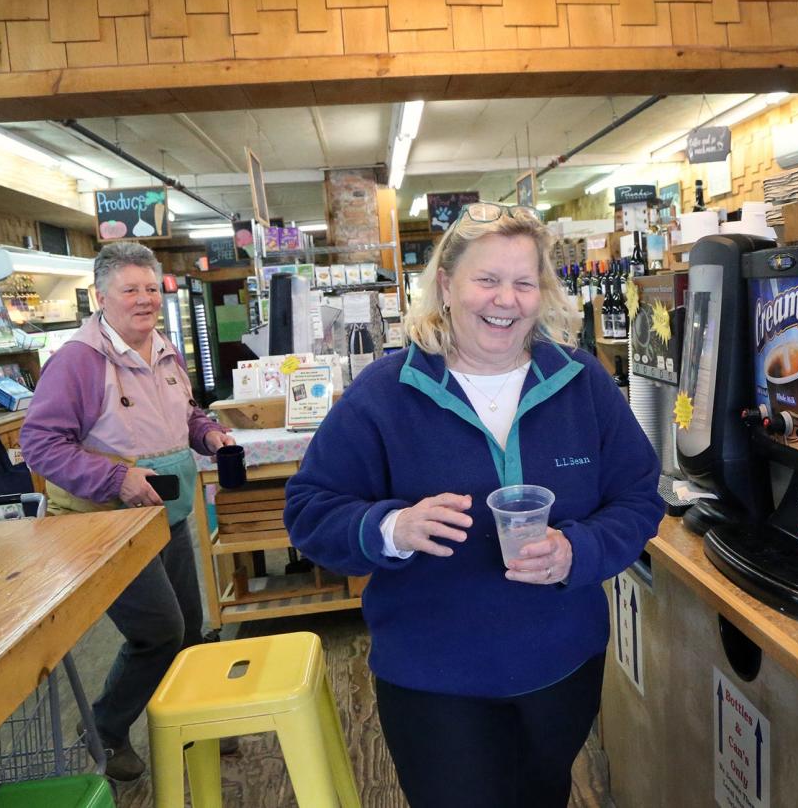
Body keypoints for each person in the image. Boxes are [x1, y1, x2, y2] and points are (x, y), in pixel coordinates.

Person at [284, 202, 663, 808]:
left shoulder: (582, 383)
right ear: (446, 285)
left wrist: (577, 550)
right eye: (487, 279)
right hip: (434, 680)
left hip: (562, 667)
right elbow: (307, 509)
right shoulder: (387, 393)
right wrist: (391, 527)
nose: (505, 300)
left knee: (544, 795)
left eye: (524, 282)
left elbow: (639, 496)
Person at [20, 241, 235, 780]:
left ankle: (188, 724)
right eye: (129, 289)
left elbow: (182, 413)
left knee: (189, 628)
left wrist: (208, 433)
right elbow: (41, 444)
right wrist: (118, 476)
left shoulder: (164, 348)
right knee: (159, 630)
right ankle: (105, 732)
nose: (144, 300)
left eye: (149, 288)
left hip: (169, 511)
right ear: (101, 296)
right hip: (108, 523)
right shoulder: (78, 361)